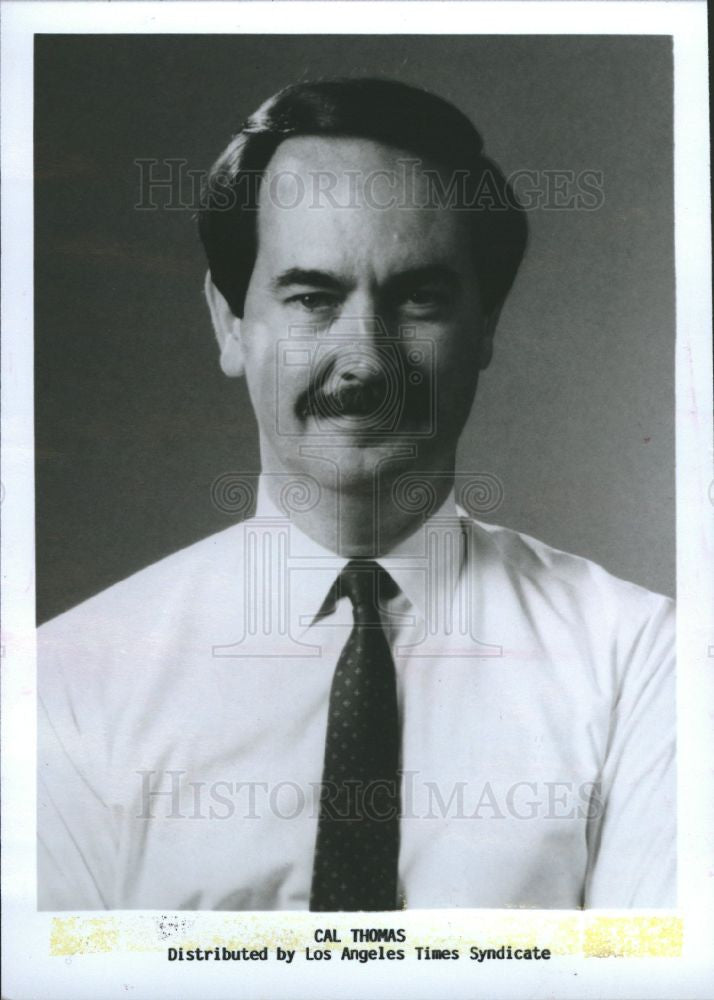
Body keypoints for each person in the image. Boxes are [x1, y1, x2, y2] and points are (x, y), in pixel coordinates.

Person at [38, 78, 675, 911]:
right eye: (312, 298)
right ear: (229, 324)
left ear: (485, 327)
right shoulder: (68, 681)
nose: (366, 360)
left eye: (419, 299)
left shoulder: (641, 662)